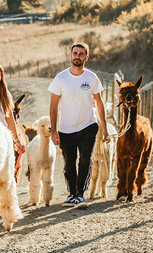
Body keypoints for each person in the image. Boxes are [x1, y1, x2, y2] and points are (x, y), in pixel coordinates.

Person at [48, 42, 109, 208]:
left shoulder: (91, 78)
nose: (77, 56)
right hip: (66, 128)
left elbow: (99, 102)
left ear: (86, 57)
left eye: (81, 54)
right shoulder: (60, 78)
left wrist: (104, 128)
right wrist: (54, 131)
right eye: (75, 53)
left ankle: (80, 194)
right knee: (69, 163)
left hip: (88, 125)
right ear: (70, 55)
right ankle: (72, 194)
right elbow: (53, 106)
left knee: (84, 159)